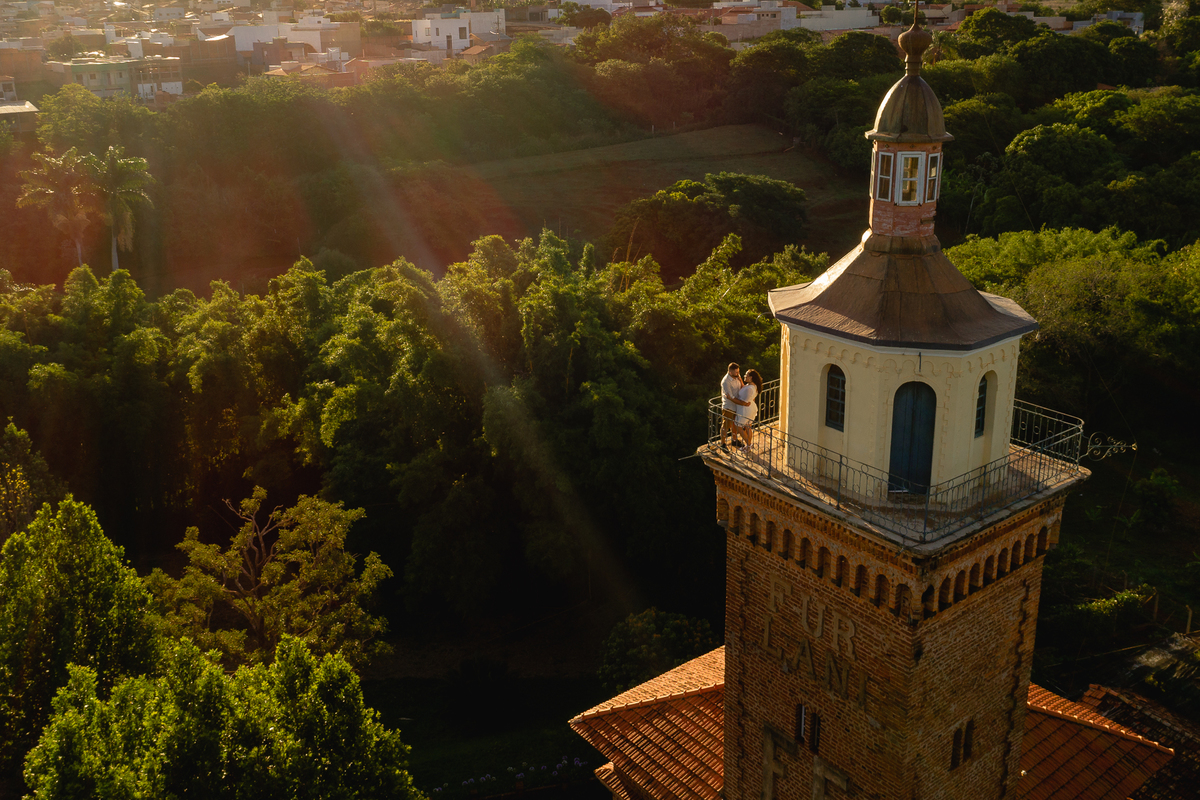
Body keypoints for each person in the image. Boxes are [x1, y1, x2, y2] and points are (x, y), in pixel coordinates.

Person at [734, 369, 763, 448]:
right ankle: (749, 445)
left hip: (745, 410)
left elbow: (744, 402)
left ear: (751, 377)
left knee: (738, 426)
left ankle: (749, 445)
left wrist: (731, 398)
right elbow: (745, 390)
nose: (744, 376)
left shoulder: (750, 389)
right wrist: (740, 380)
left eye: (746, 375)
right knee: (748, 426)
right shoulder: (752, 386)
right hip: (750, 408)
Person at [720, 362, 743, 447]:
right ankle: (722, 443)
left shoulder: (737, 376)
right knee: (725, 426)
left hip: (737, 406)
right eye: (736, 372)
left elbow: (742, 387)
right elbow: (731, 398)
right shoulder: (725, 382)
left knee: (735, 424)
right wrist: (742, 403)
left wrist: (740, 380)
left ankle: (734, 440)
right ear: (730, 372)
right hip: (729, 407)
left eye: (738, 372)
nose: (738, 374)